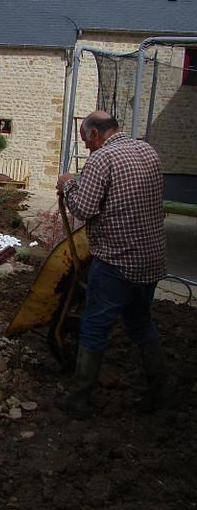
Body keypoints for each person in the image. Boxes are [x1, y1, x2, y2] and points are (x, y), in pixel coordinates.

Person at [56, 110, 168, 418]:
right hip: (151, 259)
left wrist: (68, 184)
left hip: (116, 260)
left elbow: (84, 208)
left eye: (86, 140)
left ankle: (79, 399)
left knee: (94, 326)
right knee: (141, 323)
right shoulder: (147, 150)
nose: (86, 146)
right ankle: (161, 393)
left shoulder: (101, 159)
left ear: (94, 134)